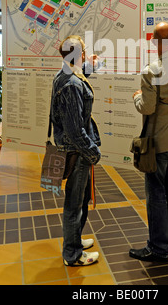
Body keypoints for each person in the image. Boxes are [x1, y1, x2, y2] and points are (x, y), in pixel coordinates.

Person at [129, 11, 168, 262]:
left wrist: (136, 96)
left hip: (159, 143)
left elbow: (147, 108)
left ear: (154, 42)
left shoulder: (151, 71)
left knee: (156, 193)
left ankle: (157, 247)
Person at [51, 35, 101, 266]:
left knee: (80, 200)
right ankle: (72, 254)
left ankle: (76, 241)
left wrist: (88, 65)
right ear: (77, 54)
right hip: (77, 151)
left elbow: (81, 82)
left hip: (74, 149)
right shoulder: (71, 84)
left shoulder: (66, 74)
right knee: (74, 203)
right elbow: (74, 129)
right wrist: (92, 152)